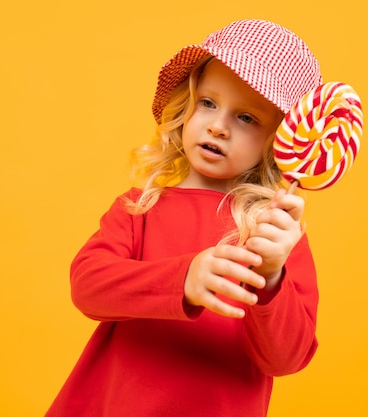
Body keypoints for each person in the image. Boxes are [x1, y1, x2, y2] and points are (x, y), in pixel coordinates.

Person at [46, 19, 322, 417]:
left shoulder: (276, 235)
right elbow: (87, 285)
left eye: (247, 118)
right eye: (208, 103)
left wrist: (272, 277)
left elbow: (287, 359)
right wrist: (182, 280)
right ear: (186, 105)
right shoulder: (141, 207)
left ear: (279, 143)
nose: (217, 126)